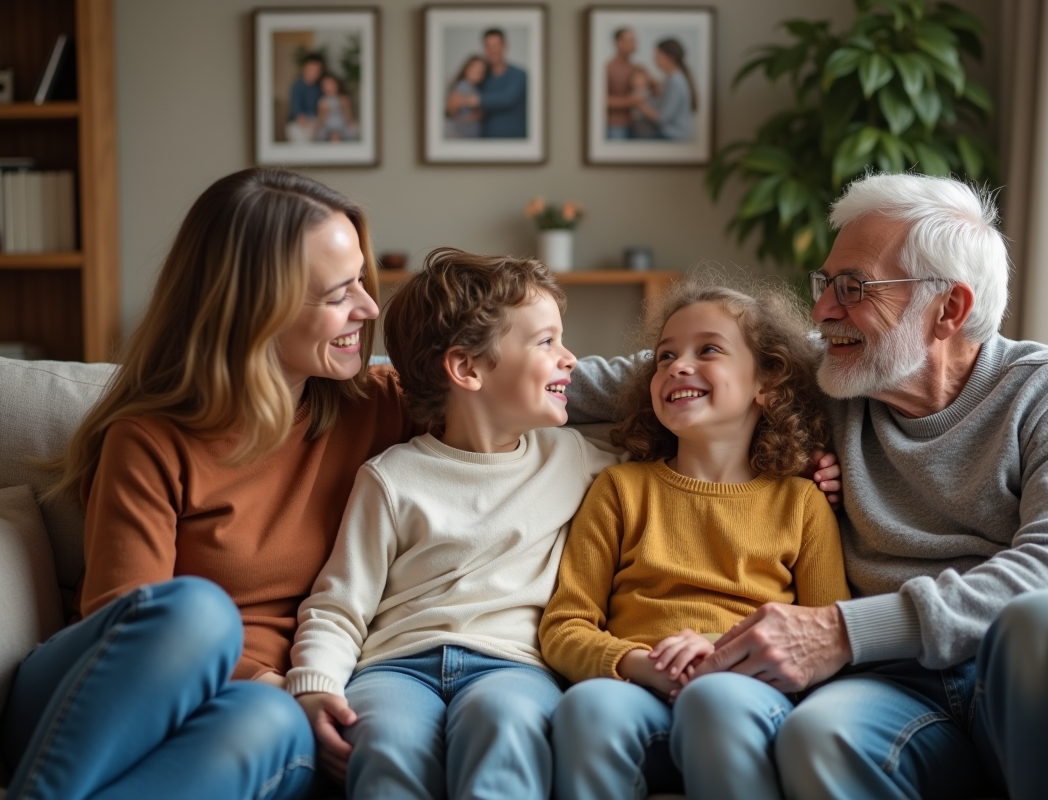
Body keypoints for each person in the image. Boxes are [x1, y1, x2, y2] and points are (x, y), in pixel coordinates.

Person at [0, 170, 616, 799]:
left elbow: (521, 376)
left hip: (256, 714)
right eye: (339, 291)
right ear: (254, 307)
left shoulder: (378, 404)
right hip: (96, 697)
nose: (370, 307)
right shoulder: (151, 438)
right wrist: (281, 682)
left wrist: (695, 366)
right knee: (196, 616)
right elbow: (123, 620)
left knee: (267, 724)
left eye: (363, 282)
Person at [680, 173, 1048, 800]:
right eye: (825, 283)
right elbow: (677, 367)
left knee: (1042, 621)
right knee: (820, 732)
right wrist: (526, 364)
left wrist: (842, 631)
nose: (823, 310)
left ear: (949, 310)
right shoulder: (835, 375)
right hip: (907, 688)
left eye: (854, 287)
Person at [286, 249, 622, 799]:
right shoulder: (391, 478)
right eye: (546, 342)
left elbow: (677, 471)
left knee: (508, 727)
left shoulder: (573, 456)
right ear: (468, 369)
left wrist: (791, 459)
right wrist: (316, 686)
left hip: (513, 667)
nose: (571, 359)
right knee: (384, 740)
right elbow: (340, 605)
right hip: (395, 667)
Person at [540, 281, 851, 800]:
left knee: (716, 700)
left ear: (766, 382)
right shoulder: (619, 490)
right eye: (664, 356)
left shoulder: (801, 504)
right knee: (585, 707)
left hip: (746, 696)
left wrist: (716, 653)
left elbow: (826, 637)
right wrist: (642, 664)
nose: (677, 366)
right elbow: (565, 626)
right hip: (636, 690)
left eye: (707, 349)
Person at [633, 39, 695, 141]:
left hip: (673, 136)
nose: (654, 59)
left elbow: (662, 118)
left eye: (657, 55)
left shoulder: (675, 81)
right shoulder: (672, 79)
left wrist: (640, 104)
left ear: (670, 58)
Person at [477, 28, 527, 138]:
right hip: (486, 143)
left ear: (505, 46)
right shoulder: (481, 77)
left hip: (516, 144)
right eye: (488, 46)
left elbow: (508, 98)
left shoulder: (519, 75)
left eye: (496, 45)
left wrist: (471, 99)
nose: (492, 50)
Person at [605, 27, 641, 140]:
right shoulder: (608, 68)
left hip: (634, 125)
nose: (634, 45)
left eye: (634, 41)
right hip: (615, 126)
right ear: (618, 43)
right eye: (630, 40)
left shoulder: (636, 68)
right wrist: (630, 101)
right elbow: (601, 100)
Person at [444, 55, 487, 138]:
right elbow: (451, 111)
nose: (478, 71)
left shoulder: (475, 88)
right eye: (475, 67)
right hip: (460, 137)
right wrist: (473, 117)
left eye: (481, 70)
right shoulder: (462, 86)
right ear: (466, 69)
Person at [287, 53, 325, 142]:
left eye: (317, 70)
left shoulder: (320, 87)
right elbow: (297, 113)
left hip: (316, 123)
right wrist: (309, 125)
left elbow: (323, 109)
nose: (314, 72)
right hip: (298, 124)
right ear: (305, 68)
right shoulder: (297, 86)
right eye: (312, 69)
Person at [314, 73, 360, 143]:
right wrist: (324, 112)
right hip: (328, 128)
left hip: (342, 126)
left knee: (354, 130)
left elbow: (349, 119)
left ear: (337, 85)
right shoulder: (322, 101)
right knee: (320, 134)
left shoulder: (343, 98)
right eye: (326, 85)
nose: (329, 87)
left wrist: (346, 108)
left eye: (331, 84)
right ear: (323, 88)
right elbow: (320, 122)